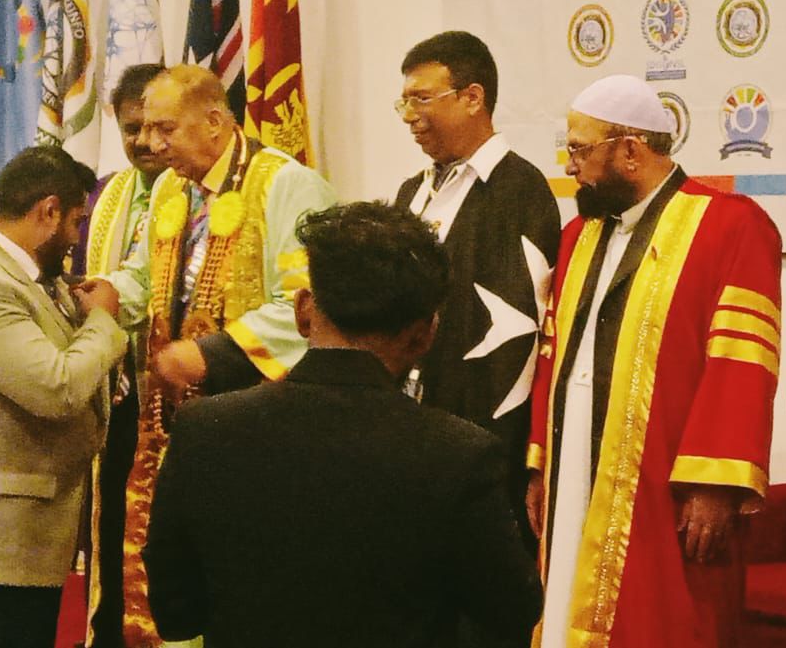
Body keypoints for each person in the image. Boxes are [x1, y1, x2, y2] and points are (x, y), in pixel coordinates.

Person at [144, 202, 543, 646]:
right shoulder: (460, 455)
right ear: (426, 333)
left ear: (303, 311)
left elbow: (176, 614)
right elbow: (512, 611)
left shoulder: (205, 430)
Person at [527, 74, 781, 648]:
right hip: (574, 463)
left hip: (669, 479)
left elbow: (742, 363)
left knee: (664, 619)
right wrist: (540, 462)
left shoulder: (730, 225)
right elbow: (552, 353)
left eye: (580, 150)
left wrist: (716, 482)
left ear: (630, 150)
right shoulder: (578, 236)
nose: (570, 165)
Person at [101, 63, 337, 646]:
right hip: (176, 427)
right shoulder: (170, 190)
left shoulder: (287, 184)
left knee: (243, 586)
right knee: (176, 579)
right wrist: (107, 293)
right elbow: (146, 278)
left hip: (259, 427)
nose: (151, 144)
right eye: (146, 128)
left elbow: (308, 306)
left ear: (214, 121)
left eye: (165, 129)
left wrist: (210, 353)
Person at [392, 32, 560, 588]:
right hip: (408, 432)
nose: (409, 117)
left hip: (475, 442)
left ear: (472, 97)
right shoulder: (411, 192)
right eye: (404, 102)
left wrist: (488, 454)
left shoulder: (519, 191)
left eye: (422, 99)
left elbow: (513, 337)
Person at [0, 145, 129, 648]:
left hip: (31, 542)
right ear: (48, 211)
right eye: (75, 222)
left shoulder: (32, 280)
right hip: (2, 547)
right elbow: (57, 388)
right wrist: (103, 320)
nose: (75, 239)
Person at [72, 63, 173, 648]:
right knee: (113, 528)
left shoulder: (200, 193)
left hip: (177, 395)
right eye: (131, 129)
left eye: (155, 128)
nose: (144, 142)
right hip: (113, 397)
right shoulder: (101, 196)